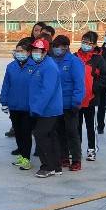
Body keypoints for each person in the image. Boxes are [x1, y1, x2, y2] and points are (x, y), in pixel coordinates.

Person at [29, 38, 64, 178]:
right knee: (51, 136)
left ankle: (48, 166)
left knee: (40, 134)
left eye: (39, 51)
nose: (36, 53)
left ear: (45, 52)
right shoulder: (40, 64)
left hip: (48, 109)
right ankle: (56, 166)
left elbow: (47, 91)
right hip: (44, 108)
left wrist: (37, 108)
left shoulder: (49, 66)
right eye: (34, 50)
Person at [50, 35, 85, 171]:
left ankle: (76, 159)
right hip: (55, 104)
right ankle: (63, 157)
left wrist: (76, 102)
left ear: (66, 47)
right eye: (55, 46)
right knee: (59, 132)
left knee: (72, 132)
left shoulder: (74, 61)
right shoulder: (51, 61)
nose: (57, 49)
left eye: (59, 46)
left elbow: (79, 83)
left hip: (70, 104)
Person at [1, 37, 36, 170]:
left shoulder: (34, 66)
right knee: (18, 133)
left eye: (21, 51)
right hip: (14, 106)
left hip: (28, 107)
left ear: (28, 52)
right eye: (17, 51)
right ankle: (21, 156)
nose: (18, 53)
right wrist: (4, 101)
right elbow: (6, 85)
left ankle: (26, 158)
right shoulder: (11, 66)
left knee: (26, 134)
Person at [76, 31, 106, 162]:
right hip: (76, 99)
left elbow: (105, 77)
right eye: (84, 42)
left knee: (90, 126)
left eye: (89, 43)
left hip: (90, 98)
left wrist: (95, 87)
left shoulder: (98, 59)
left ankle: (91, 149)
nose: (86, 45)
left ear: (94, 44)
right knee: (76, 126)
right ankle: (76, 149)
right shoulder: (74, 57)